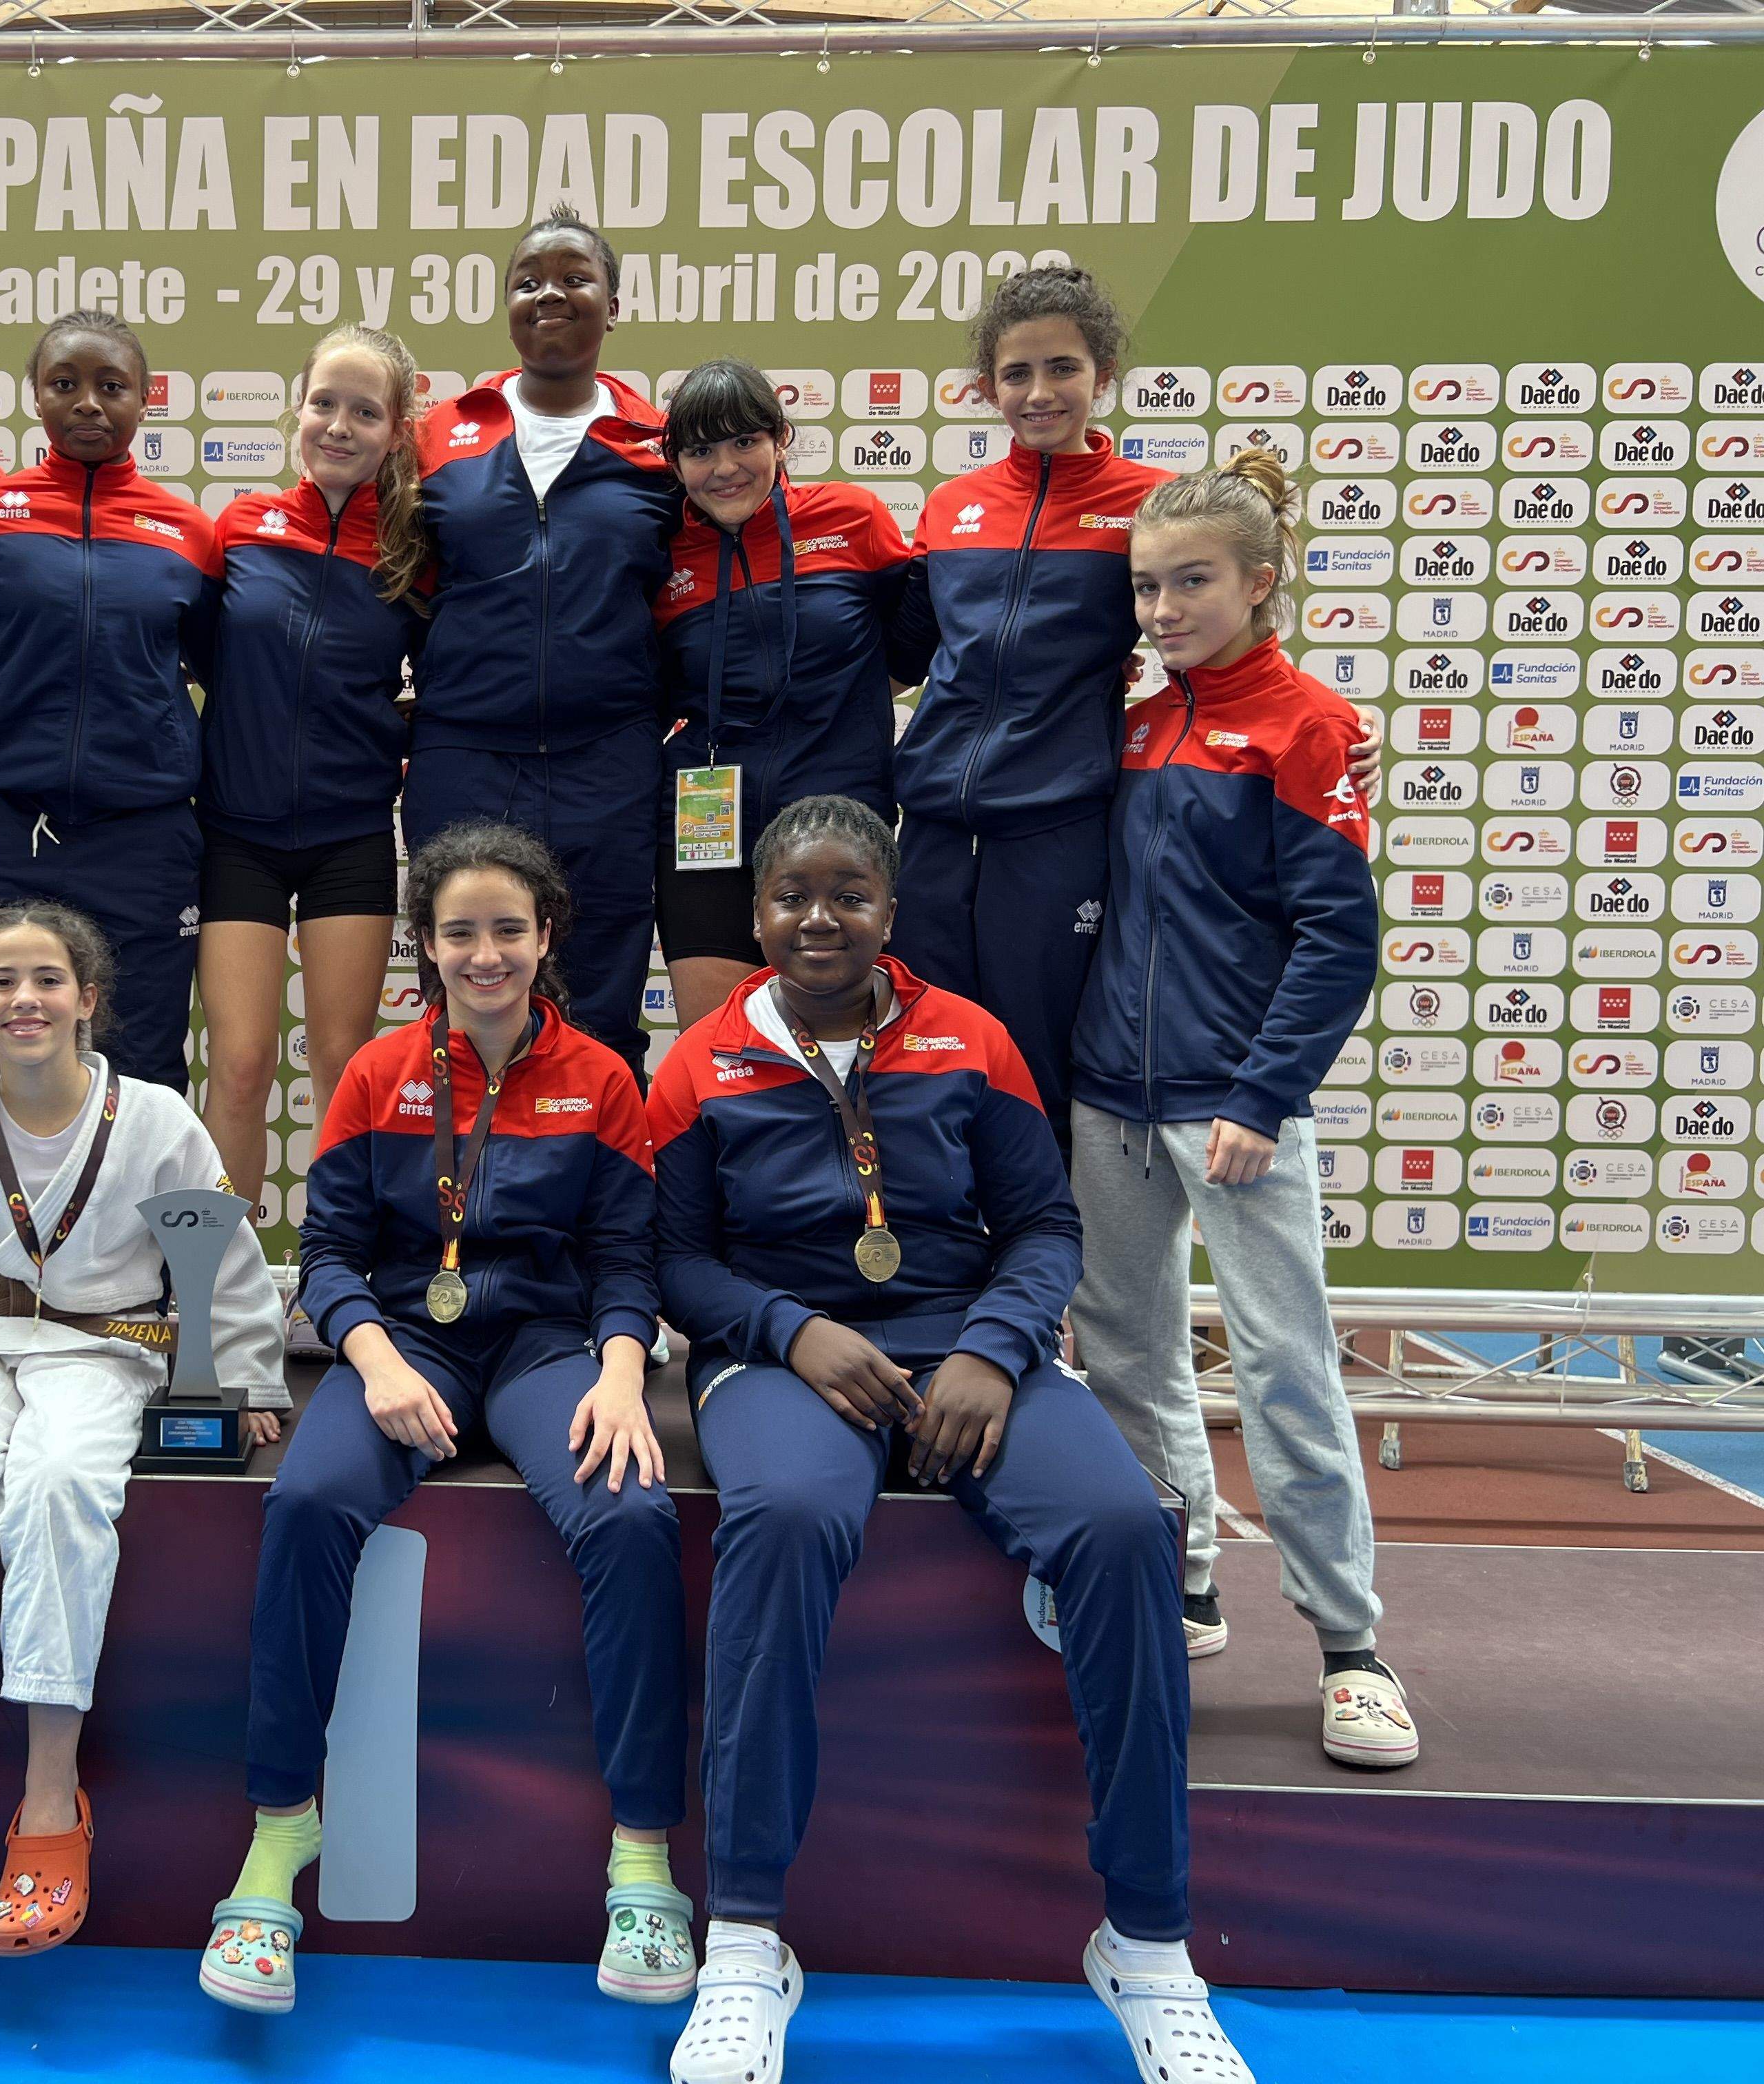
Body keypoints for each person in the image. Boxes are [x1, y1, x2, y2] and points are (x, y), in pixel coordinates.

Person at [648, 794, 1248, 2084]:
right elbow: (676, 1260)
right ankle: (747, 1938)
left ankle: (1146, 1941)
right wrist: (787, 1328)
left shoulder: (970, 1038)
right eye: (792, 895)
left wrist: (989, 1344)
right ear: (753, 916)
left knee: (1122, 1525)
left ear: (888, 909)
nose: (819, 916)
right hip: (777, 1348)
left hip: (961, 1338)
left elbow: (1042, 1224)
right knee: (789, 1516)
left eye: (847, 893)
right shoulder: (700, 1056)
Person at [203, 822, 687, 2016]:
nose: (485, 953)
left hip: (538, 1346)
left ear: (546, 936)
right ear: (423, 941)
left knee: (630, 1516)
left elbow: (625, 1257)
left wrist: (621, 1373)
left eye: (507, 929)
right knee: (309, 1499)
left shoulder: (602, 1076)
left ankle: (641, 1858)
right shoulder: (375, 1073)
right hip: (404, 1342)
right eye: (460, 930)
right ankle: (277, 1839)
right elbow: (324, 1255)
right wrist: (369, 1358)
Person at [0, 901, 288, 1957]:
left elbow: (220, 1262)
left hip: (104, 1354)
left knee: (55, 1488)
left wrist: (246, 1374)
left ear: (88, 999)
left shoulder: (158, 1122)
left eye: (48, 979)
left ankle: (51, 1800)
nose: (25, 998)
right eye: (2, 981)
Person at [1065, 453, 1415, 1767]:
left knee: (1283, 1366)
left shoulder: (1307, 722)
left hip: (1235, 1104)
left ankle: (1350, 1645)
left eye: (1190, 580)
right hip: (1112, 1096)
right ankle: (1187, 1580)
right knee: (1130, 1361)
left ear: (1260, 583)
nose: (1161, 606)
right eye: (1147, 584)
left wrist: (1264, 1091)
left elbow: (1336, 939)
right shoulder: (1141, 723)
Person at [891, 265, 1379, 1141]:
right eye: (1016, 374)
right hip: (930, 827)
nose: (1040, 393)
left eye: (1063, 368)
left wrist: (1327, 732)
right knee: (922, 1061)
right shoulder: (950, 507)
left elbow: (1219, 629)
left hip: (1056, 826)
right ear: (984, 387)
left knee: (1036, 1071)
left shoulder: (1145, 503)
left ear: (1104, 376)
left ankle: (1042, 1273)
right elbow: (901, 662)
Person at [404, 206, 681, 1083]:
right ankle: (454, 1215)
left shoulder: (662, 447)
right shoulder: (437, 434)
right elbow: (396, 589)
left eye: (575, 277)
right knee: (461, 1006)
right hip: (465, 756)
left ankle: (606, 1217)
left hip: (611, 761)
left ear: (614, 303)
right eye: (528, 281)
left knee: (600, 1011)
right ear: (507, 305)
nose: (550, 294)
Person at [0, 310, 220, 1094]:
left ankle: (133, 1226)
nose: (89, 404)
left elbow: (228, 670)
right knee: (0, 1069)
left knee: (144, 1070)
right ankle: (6, 1223)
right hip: (4, 830)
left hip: (143, 840)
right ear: (36, 396)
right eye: (65, 384)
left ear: (145, 399)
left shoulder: (188, 533)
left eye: (112, 386)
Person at [198, 323, 429, 1215]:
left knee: (343, 1063)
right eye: (324, 403)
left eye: (364, 411)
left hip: (351, 834)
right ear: (298, 410)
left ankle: (336, 1281)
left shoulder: (412, 554)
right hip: (237, 834)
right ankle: (219, 1296)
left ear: (397, 428)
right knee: (244, 1062)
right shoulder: (241, 529)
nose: (339, 425)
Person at [653, 358, 913, 1031]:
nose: (726, 466)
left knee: (835, 1052)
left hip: (837, 822)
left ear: (780, 438)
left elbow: (929, 633)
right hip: (706, 833)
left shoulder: (852, 517)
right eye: (701, 450)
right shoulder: (663, 551)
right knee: (719, 1052)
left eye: (745, 441)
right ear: (676, 463)